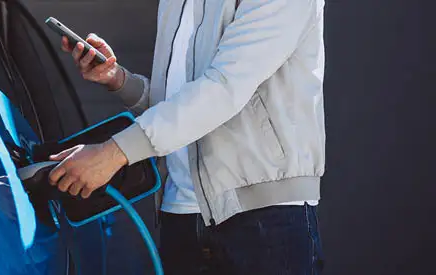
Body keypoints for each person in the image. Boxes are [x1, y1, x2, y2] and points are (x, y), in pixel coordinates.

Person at [49, 0, 326, 274]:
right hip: (180, 215)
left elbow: (224, 89)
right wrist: (120, 80)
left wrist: (113, 153)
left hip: (264, 217)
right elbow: (178, 104)